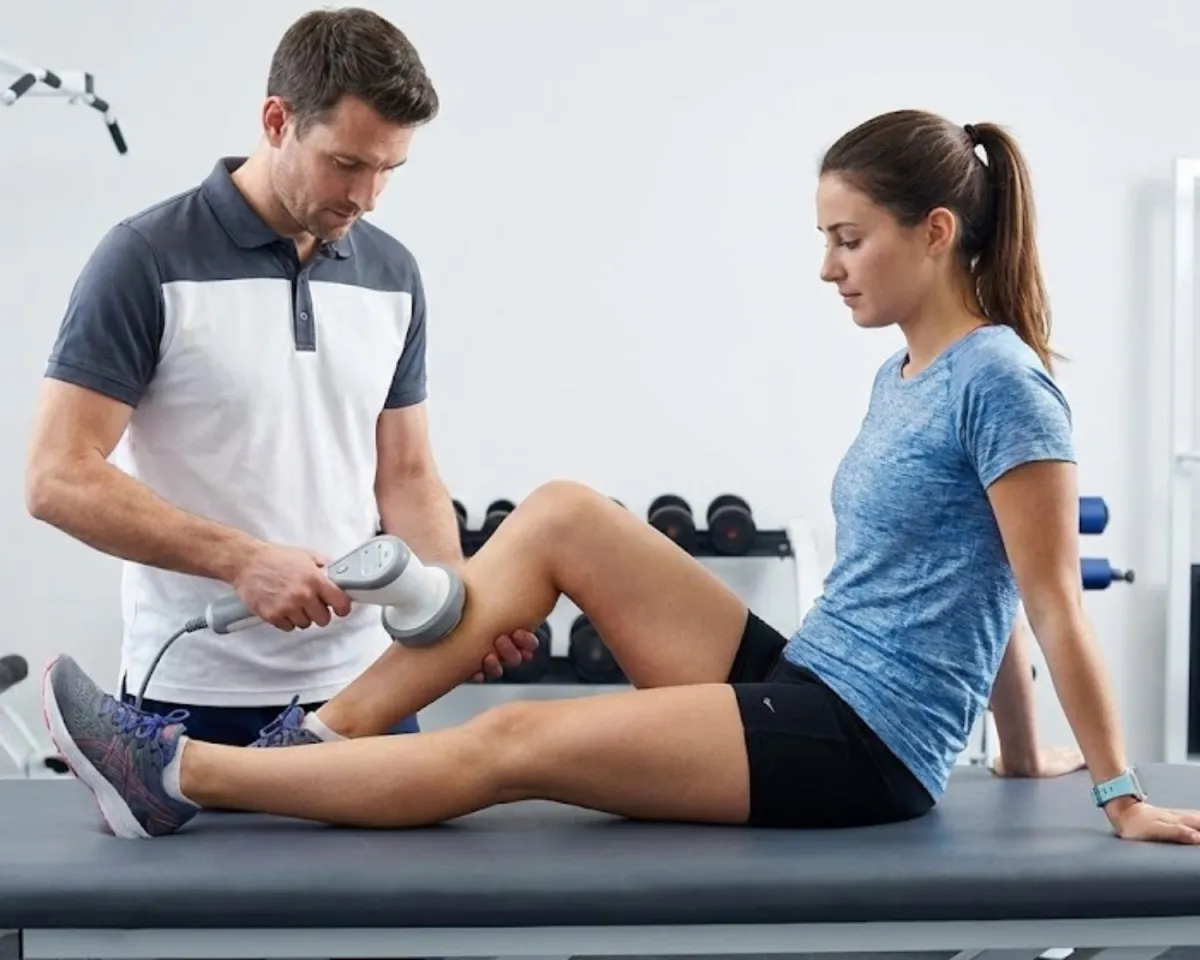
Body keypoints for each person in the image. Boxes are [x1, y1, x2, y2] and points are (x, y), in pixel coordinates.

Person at [42, 108, 1200, 844]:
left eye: (849, 239)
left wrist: (1115, 791)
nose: (827, 267)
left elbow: (1046, 596)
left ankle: (189, 773)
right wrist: (1009, 746)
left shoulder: (1002, 380)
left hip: (866, 745)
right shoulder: (908, 373)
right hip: (814, 676)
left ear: (937, 233)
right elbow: (979, 571)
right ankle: (315, 736)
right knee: (560, 515)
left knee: (515, 749)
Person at [24, 7, 534, 749]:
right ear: (276, 120)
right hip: (192, 693)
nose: (366, 197)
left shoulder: (392, 272)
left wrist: (455, 605)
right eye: (347, 163)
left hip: (369, 689)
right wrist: (241, 561)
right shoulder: (144, 258)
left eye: (389, 169)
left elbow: (408, 471)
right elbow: (57, 476)